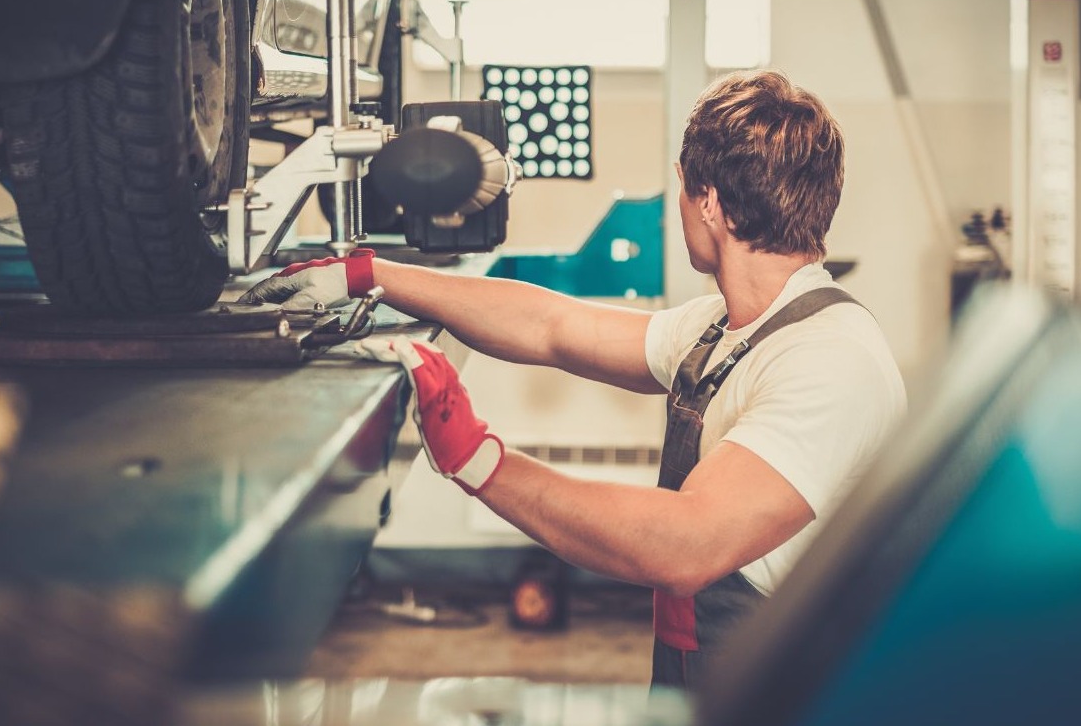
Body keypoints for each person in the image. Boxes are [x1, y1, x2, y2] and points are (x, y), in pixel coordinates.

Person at [241, 68, 907, 691]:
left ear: (709, 202)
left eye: (683, 188)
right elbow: (551, 325)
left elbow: (689, 540)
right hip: (706, 675)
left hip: (791, 693)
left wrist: (482, 462)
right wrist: (369, 274)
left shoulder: (829, 357)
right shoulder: (722, 328)